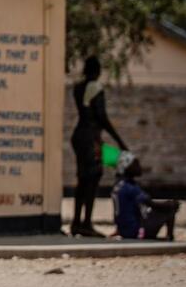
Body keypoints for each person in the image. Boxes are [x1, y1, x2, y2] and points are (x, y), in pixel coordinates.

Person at [70, 56, 127, 237]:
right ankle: (86, 223)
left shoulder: (78, 88)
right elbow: (101, 116)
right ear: (97, 70)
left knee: (82, 180)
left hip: (78, 135)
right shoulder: (95, 87)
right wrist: (119, 141)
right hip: (90, 138)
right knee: (93, 178)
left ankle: (76, 222)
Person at [111, 152, 179, 241]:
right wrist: (170, 204)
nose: (139, 167)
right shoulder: (131, 187)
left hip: (123, 230)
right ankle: (169, 237)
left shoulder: (118, 185)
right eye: (136, 164)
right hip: (134, 231)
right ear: (127, 167)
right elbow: (151, 204)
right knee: (169, 209)